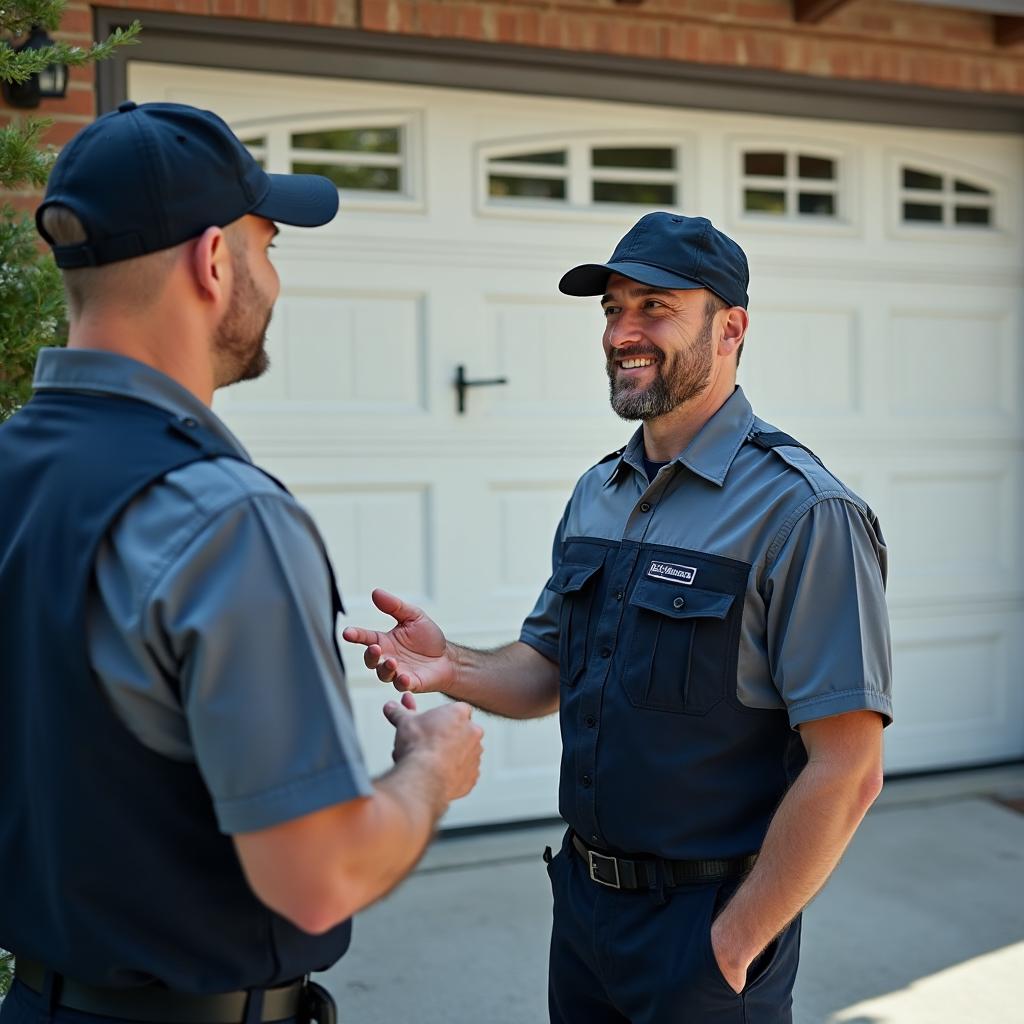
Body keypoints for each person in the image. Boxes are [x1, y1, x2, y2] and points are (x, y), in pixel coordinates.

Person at [0, 101, 483, 1024]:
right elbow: (317, 878)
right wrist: (433, 769)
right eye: (268, 246)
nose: (272, 275)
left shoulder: (15, 465)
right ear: (213, 262)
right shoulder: (224, 516)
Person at [344, 212, 893, 1023]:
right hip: (585, 911)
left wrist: (734, 945)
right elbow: (552, 668)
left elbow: (848, 769)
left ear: (731, 327)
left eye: (654, 308)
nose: (621, 333)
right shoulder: (599, 493)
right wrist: (449, 663)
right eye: (612, 310)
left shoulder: (803, 513)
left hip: (707, 930)